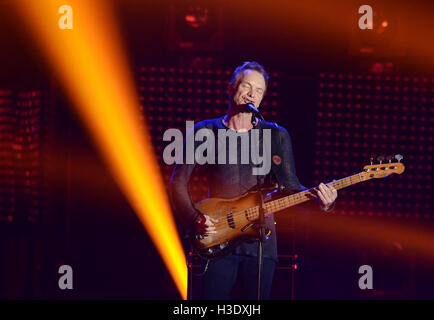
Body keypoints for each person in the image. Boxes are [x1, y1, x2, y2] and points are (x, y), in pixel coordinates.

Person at [169, 61, 337, 299]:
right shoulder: (204, 132)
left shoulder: (276, 135)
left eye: (259, 91)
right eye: (246, 86)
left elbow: (290, 188)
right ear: (230, 88)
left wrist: (323, 201)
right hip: (215, 239)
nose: (252, 94)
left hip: (260, 245)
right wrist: (195, 218)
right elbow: (177, 183)